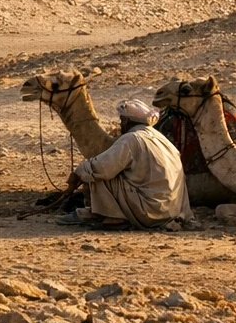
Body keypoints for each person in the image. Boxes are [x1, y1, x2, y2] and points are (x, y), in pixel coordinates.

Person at [57, 98, 191, 230]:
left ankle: (113, 218)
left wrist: (78, 173)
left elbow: (102, 167)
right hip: (170, 211)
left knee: (93, 170)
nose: (120, 125)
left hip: (149, 211)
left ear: (126, 120)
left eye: (121, 120)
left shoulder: (131, 138)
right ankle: (95, 212)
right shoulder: (160, 138)